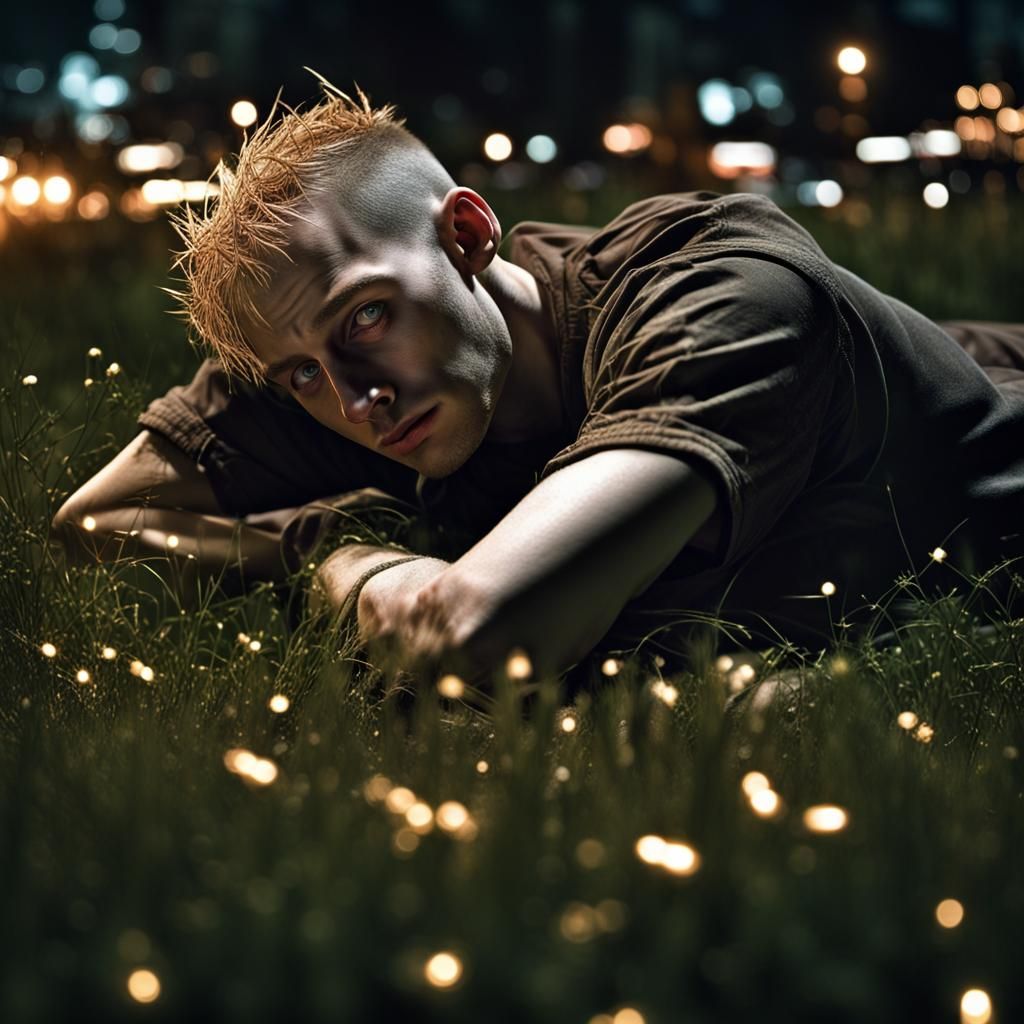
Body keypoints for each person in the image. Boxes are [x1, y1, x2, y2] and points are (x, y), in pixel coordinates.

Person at [51, 77, 1024, 691]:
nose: (353, 400)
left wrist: (338, 562)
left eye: (365, 318)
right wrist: (341, 539)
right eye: (301, 370)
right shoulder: (363, 380)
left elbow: (478, 634)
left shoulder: (718, 294)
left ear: (468, 235)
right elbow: (95, 530)